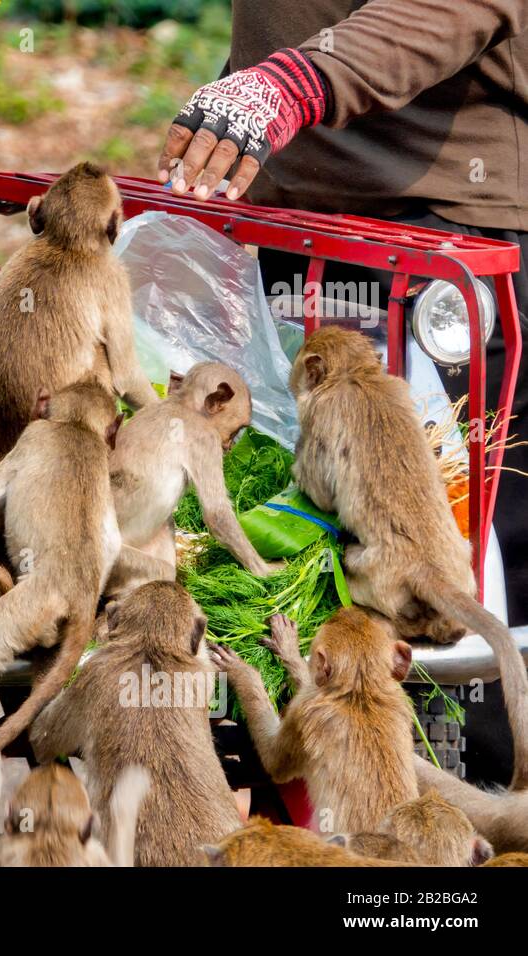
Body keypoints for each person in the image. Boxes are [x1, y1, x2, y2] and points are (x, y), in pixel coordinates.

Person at [157, 0, 528, 783]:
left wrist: (290, 82)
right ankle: (288, 798)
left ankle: (478, 827)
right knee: (283, 522)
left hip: (443, 226)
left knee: (464, 560)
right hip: (287, 214)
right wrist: (240, 92)